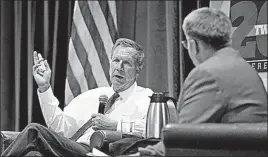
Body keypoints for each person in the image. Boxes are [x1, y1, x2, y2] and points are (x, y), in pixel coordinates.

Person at [136, 7, 268, 156]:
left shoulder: (207, 74)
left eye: (186, 44)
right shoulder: (243, 67)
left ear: (193, 45)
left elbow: (180, 142)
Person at [1, 38, 153, 156]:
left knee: (34, 130)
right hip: (73, 149)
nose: (119, 67)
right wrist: (45, 88)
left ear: (138, 69)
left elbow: (153, 131)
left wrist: (115, 125)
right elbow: (59, 128)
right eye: (116, 61)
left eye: (126, 63)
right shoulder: (90, 95)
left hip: (98, 153)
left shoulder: (146, 98)